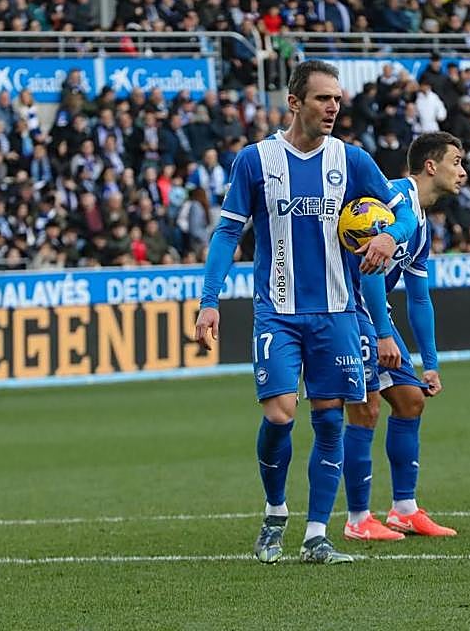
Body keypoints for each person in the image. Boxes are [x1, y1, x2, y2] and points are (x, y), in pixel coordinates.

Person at [195, 60, 417, 565]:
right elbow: (228, 232)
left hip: (338, 311)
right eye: (322, 98)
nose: (333, 107)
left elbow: (401, 210)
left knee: (329, 420)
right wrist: (209, 301)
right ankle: (276, 511)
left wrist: (389, 234)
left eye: (337, 98)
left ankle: (317, 535)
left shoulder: (352, 160)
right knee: (280, 413)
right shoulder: (255, 160)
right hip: (278, 310)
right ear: (295, 103)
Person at [341, 132, 467, 542]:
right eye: (456, 161)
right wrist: (381, 333)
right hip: (347, 310)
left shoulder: (422, 225)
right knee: (366, 408)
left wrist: (430, 364)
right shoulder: (389, 201)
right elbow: (370, 265)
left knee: (411, 401)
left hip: (373, 315)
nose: (462, 172)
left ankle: (404, 510)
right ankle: (358, 518)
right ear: (431, 166)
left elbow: (419, 297)